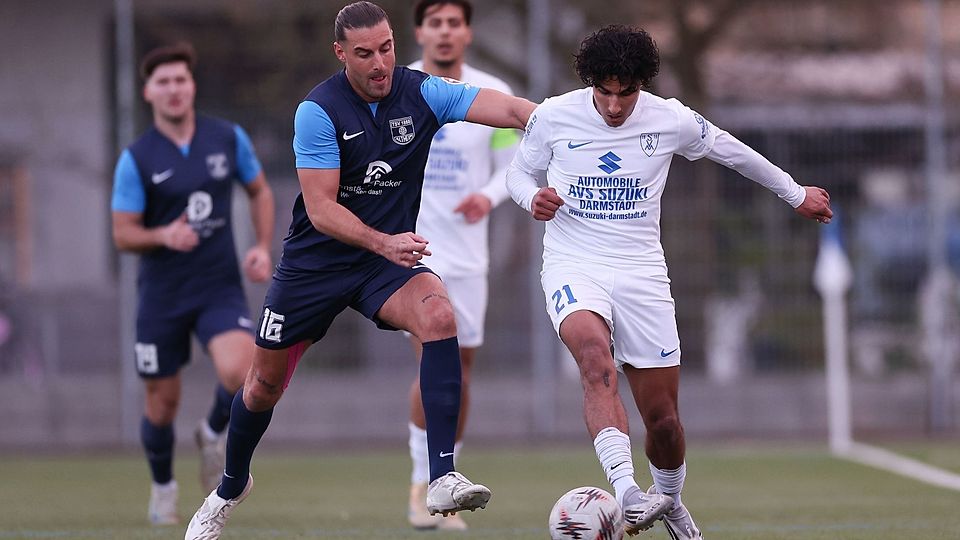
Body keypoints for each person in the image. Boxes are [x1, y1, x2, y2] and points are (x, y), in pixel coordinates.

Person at [184, 3, 535, 538]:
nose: (380, 64)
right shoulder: (317, 111)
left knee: (440, 316)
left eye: (387, 48)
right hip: (315, 266)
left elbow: (509, 110)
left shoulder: (424, 91)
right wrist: (384, 241)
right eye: (365, 53)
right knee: (261, 387)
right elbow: (321, 209)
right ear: (341, 53)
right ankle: (229, 488)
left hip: (382, 266)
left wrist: (571, 121)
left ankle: (441, 476)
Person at [506, 25, 832, 539]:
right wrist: (532, 198)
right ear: (591, 83)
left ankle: (672, 503)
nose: (615, 105)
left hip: (642, 273)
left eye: (627, 92)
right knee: (594, 359)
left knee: (663, 421)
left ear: (643, 84)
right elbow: (518, 174)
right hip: (574, 262)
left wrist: (794, 193)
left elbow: (731, 150)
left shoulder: (671, 118)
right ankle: (627, 492)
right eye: (604, 92)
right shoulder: (552, 116)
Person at [110, 42, 275, 526]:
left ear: (192, 85)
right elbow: (122, 233)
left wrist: (262, 245)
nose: (173, 89)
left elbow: (260, 190)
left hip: (217, 286)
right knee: (162, 404)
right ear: (148, 92)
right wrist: (163, 235)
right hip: (161, 294)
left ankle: (212, 431)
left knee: (243, 371)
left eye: (180, 79)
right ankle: (163, 488)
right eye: (163, 82)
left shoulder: (226, 137)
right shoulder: (137, 158)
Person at [404, 0, 520, 531]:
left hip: (470, 256)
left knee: (460, 371)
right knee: (432, 358)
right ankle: (422, 483)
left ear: (467, 32)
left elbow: (513, 167)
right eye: (436, 23)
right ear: (420, 32)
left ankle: (447, 482)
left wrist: (486, 197)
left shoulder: (489, 92)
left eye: (454, 23)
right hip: (415, 251)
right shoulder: (397, 86)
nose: (445, 32)